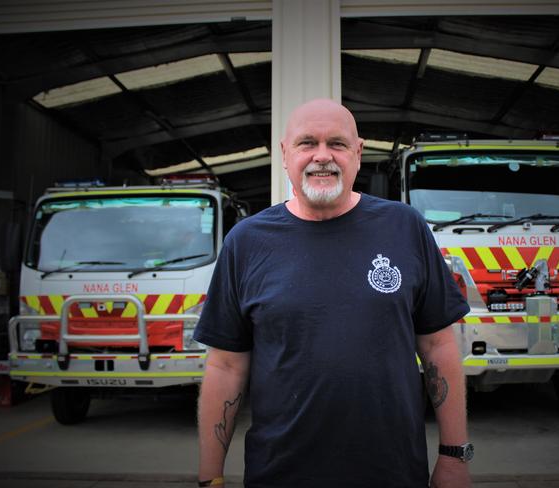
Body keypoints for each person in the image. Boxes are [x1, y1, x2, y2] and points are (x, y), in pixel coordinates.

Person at [194, 98, 472, 488]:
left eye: (337, 144)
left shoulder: (405, 227)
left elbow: (439, 346)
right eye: (307, 143)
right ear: (285, 153)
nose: (322, 156)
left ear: (358, 153)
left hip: (392, 473)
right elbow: (224, 366)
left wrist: (454, 456)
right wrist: (211, 477)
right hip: (279, 474)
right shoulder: (246, 242)